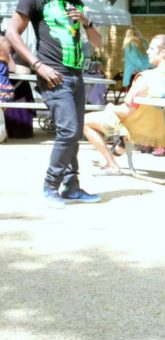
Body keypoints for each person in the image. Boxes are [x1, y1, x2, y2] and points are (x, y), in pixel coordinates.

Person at [6, 0, 102, 208]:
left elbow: (98, 43)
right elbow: (11, 33)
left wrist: (86, 21)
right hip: (53, 75)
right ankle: (50, 185)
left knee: (74, 133)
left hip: (77, 76)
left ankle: (71, 186)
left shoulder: (78, 4)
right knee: (69, 130)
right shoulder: (36, 1)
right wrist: (38, 65)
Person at [83, 34, 165, 175]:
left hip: (137, 129)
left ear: (163, 52)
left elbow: (127, 111)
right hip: (161, 131)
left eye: (151, 48)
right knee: (130, 123)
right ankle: (112, 156)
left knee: (85, 121)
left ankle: (111, 164)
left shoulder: (146, 77)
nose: (147, 51)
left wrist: (111, 107)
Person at [0, 35, 16, 143]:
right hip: (7, 90)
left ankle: (2, 133)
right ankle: (3, 133)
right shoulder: (5, 56)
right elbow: (14, 69)